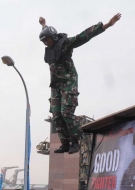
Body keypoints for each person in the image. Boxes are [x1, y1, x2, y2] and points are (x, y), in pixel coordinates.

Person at [39, 13, 122, 154]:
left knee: (66, 113)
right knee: (56, 115)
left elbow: (83, 36)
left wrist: (106, 25)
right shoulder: (49, 46)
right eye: (43, 42)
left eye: (46, 40)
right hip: (56, 85)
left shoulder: (65, 44)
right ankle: (65, 143)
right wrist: (43, 25)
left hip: (68, 83)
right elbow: (47, 31)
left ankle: (76, 141)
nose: (45, 43)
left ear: (52, 37)